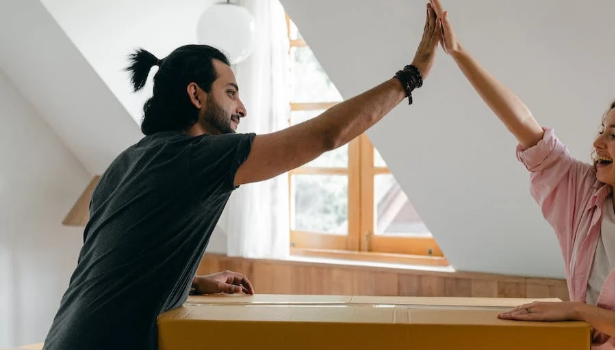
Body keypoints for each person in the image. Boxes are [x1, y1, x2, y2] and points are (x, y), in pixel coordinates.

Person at [42, 4, 442, 350]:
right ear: (196, 96)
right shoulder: (200, 157)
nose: (242, 108)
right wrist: (413, 75)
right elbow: (327, 134)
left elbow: (116, 262)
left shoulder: (126, 162)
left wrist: (193, 281)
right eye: (231, 92)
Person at [426, 1, 615, 349]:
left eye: (614, 135)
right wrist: (458, 52)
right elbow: (524, 125)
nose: (598, 142)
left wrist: (579, 311)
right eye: (602, 130)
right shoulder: (581, 192)